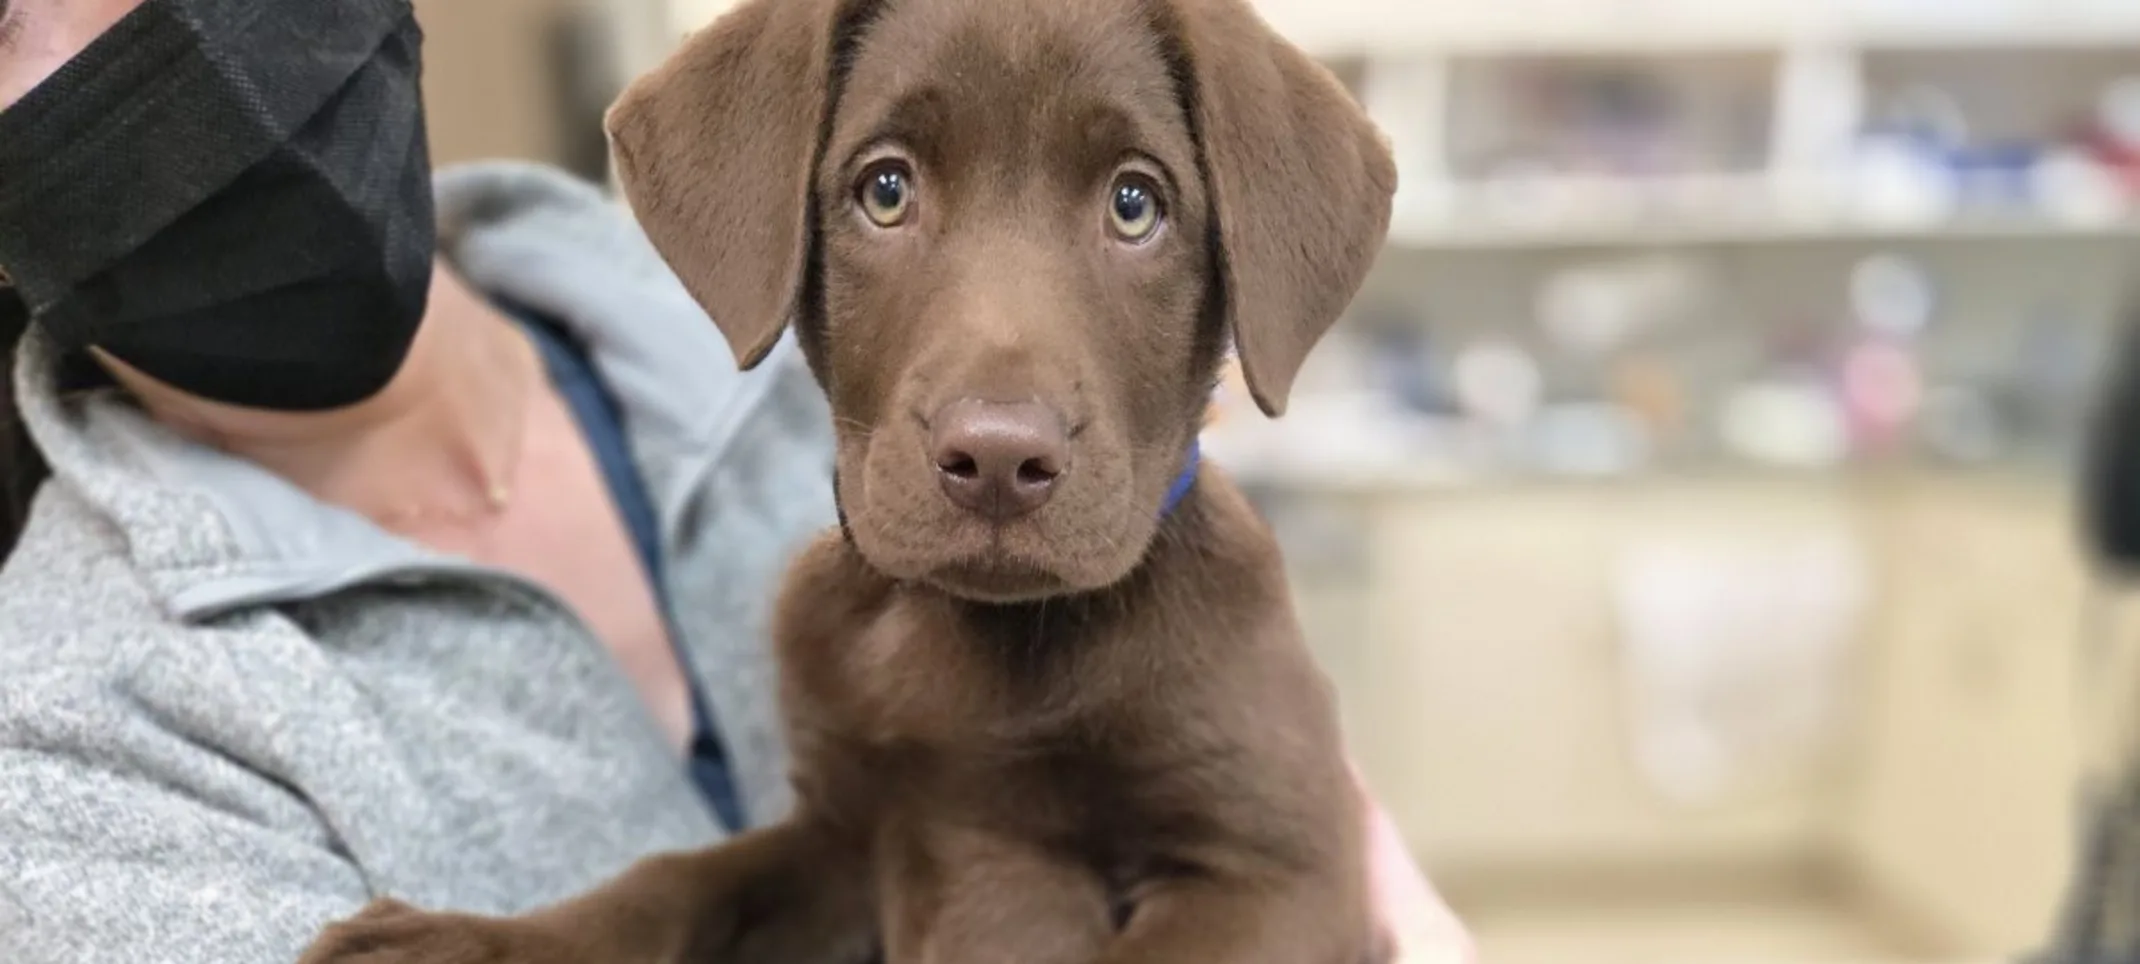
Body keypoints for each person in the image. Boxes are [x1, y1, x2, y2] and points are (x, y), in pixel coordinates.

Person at [0, 1, 1476, 962]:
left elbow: (1292, 879)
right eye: (885, 188)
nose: (999, 416)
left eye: (1135, 200)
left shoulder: (1199, 626)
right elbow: (852, 870)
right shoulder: (71, 747)